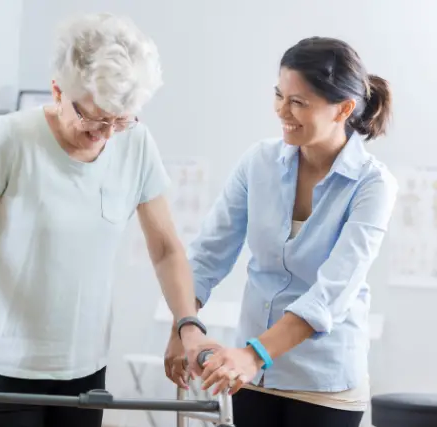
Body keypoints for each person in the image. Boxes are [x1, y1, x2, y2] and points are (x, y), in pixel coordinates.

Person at [0, 12, 218, 427]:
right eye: (94, 118)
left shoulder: (135, 143)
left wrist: (187, 322)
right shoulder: (12, 139)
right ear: (58, 90)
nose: (106, 133)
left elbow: (166, 248)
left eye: (119, 120)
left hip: (86, 366)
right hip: (8, 361)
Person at [164, 36, 398, 427]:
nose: (282, 111)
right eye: (279, 95)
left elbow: (330, 294)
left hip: (323, 383)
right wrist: (184, 324)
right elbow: (207, 255)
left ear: (344, 108)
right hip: (253, 378)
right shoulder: (259, 162)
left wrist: (253, 354)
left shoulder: (372, 184)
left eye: (298, 102)